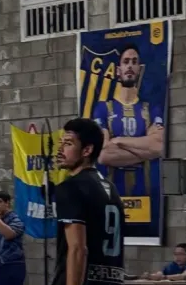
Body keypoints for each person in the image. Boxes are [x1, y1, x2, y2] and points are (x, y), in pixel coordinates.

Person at [52, 118, 125, 285]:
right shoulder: (112, 189)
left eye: (68, 144)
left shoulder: (70, 187)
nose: (60, 149)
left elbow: (78, 249)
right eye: (60, 143)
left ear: (87, 150)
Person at [93, 44, 165, 197]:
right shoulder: (103, 108)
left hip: (145, 195)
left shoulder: (151, 108)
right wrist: (147, 152)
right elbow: (103, 155)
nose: (130, 66)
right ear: (118, 70)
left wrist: (118, 141)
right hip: (112, 196)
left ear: (139, 69)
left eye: (134, 62)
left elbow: (159, 146)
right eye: (126, 62)